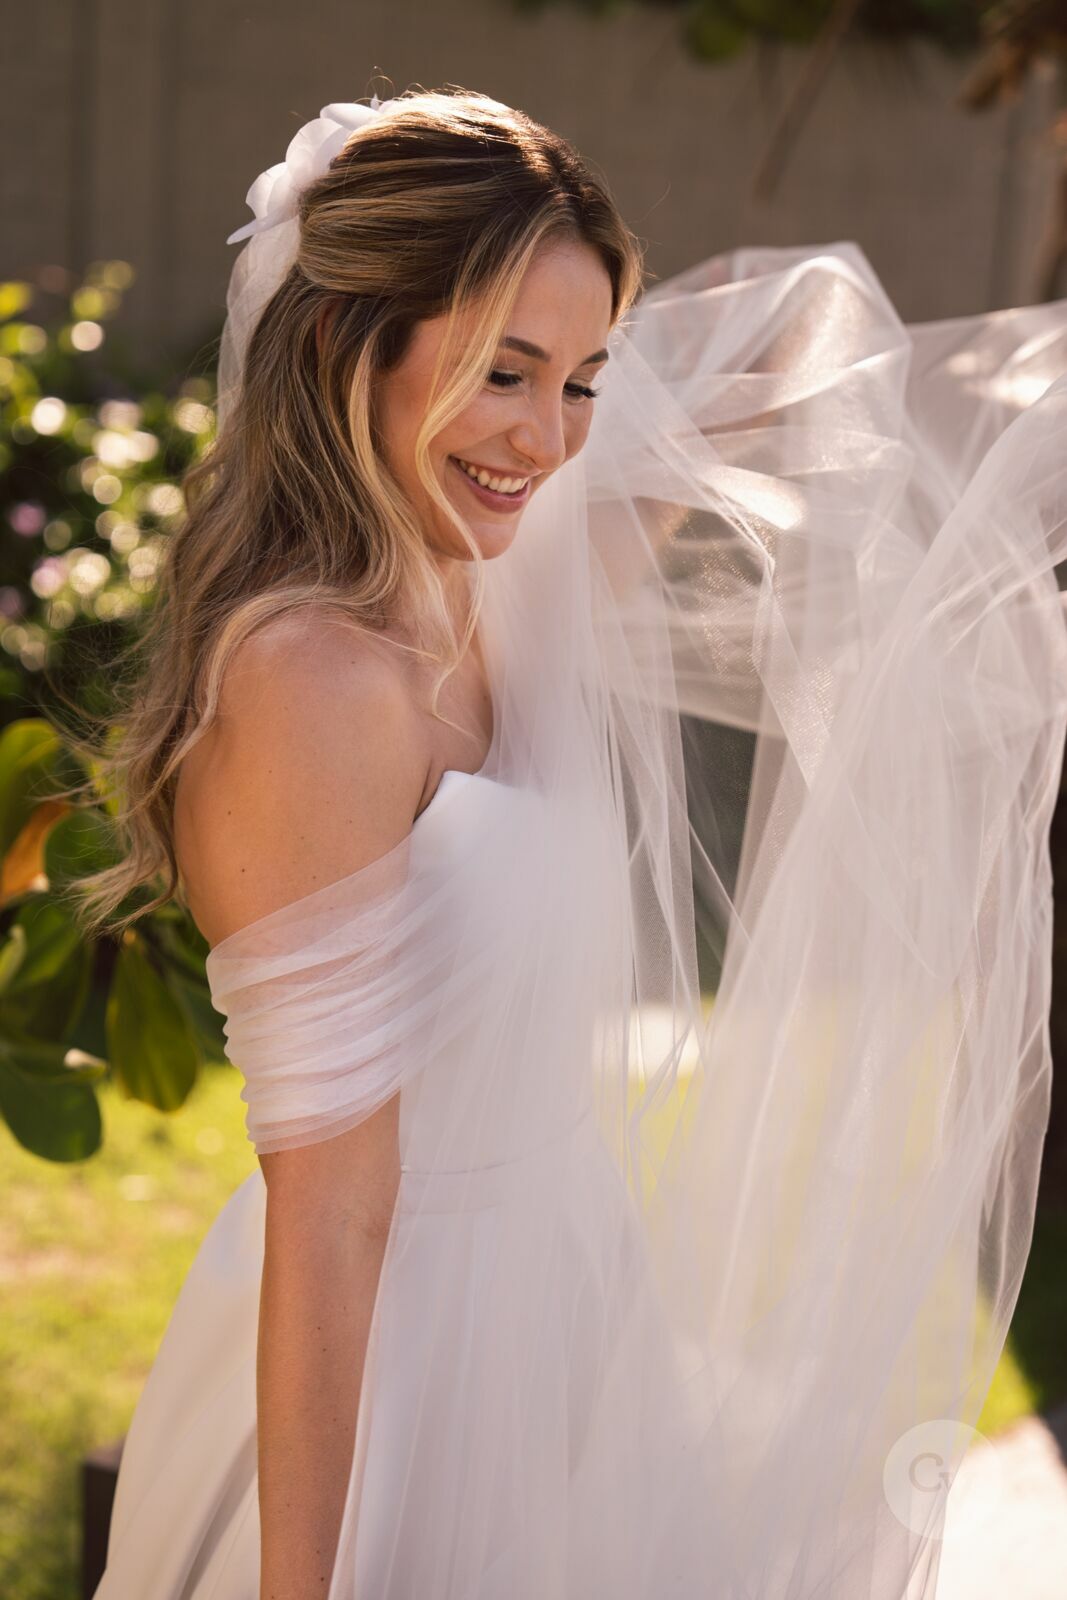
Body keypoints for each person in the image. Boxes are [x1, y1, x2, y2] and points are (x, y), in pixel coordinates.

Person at [81, 86, 1067, 1599]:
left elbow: (786, 337)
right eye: (503, 372)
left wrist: (643, 309)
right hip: (401, 1370)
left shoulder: (496, 587)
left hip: (579, 1311)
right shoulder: (310, 683)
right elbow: (333, 1207)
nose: (546, 441)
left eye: (587, 381)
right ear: (349, 343)